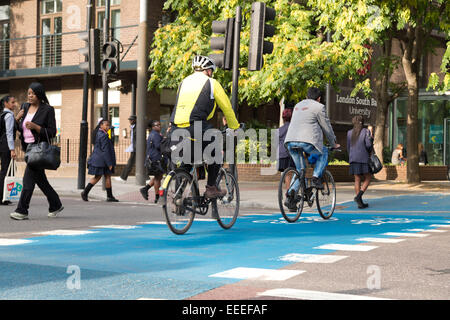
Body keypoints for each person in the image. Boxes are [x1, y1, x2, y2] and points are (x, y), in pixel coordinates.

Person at [169, 55, 239, 199]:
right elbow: (226, 108)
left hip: (176, 128)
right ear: (208, 70)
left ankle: (178, 197)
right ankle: (211, 188)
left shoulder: (183, 82)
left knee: (188, 160)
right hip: (196, 125)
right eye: (211, 71)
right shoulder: (212, 82)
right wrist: (234, 127)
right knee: (216, 149)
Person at [10, 82, 63, 220]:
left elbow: (52, 132)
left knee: (28, 180)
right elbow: (19, 128)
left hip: (38, 149)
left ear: (39, 95)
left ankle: (22, 210)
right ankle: (55, 204)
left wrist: (36, 127)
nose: (30, 96)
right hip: (28, 148)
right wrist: (17, 118)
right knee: (41, 180)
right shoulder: (25, 107)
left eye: (33, 93)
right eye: (28, 93)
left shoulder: (47, 109)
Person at [284, 87, 340, 200]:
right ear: (319, 99)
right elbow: (326, 127)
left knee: (300, 170)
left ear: (306, 97)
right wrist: (333, 143)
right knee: (323, 152)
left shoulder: (297, 105)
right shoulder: (319, 107)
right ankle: (315, 177)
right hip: (307, 141)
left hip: (290, 141)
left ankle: (291, 194)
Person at [81, 119, 119, 202]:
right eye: (106, 125)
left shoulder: (100, 133)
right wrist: (109, 163)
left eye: (108, 125)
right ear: (101, 125)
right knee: (98, 177)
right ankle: (85, 192)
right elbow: (105, 150)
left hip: (100, 160)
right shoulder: (103, 135)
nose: (108, 127)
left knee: (106, 176)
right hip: (102, 161)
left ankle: (109, 196)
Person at [347, 115, 373, 209]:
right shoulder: (366, 131)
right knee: (368, 177)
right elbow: (369, 145)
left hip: (353, 158)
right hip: (363, 157)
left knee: (357, 179)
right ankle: (358, 197)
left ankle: (360, 202)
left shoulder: (349, 133)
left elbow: (348, 147)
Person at [140, 120, 166, 203]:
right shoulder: (155, 135)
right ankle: (157, 197)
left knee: (158, 177)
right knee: (158, 178)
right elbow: (158, 146)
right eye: (157, 125)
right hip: (155, 159)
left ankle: (145, 189)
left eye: (159, 124)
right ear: (153, 127)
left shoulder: (153, 134)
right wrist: (165, 140)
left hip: (153, 158)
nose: (159, 126)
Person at [0, 96, 18, 205]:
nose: (15, 104)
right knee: (6, 171)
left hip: (1, 144)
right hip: (6, 145)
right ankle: (4, 197)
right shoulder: (9, 116)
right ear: (6, 103)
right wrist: (12, 149)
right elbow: (9, 133)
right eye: (12, 102)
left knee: (5, 170)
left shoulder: (1, 114)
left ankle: (5, 195)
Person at [115, 115, 136, 182]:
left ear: (135, 120)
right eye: (129, 120)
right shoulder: (133, 127)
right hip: (134, 147)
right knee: (131, 163)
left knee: (131, 163)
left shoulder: (137, 127)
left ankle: (123, 177)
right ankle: (123, 177)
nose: (130, 121)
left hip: (136, 148)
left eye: (131, 120)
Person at [278, 108, 295, 172]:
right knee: (295, 171)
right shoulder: (294, 129)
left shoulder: (279, 130)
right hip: (290, 154)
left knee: (287, 173)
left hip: (281, 155)